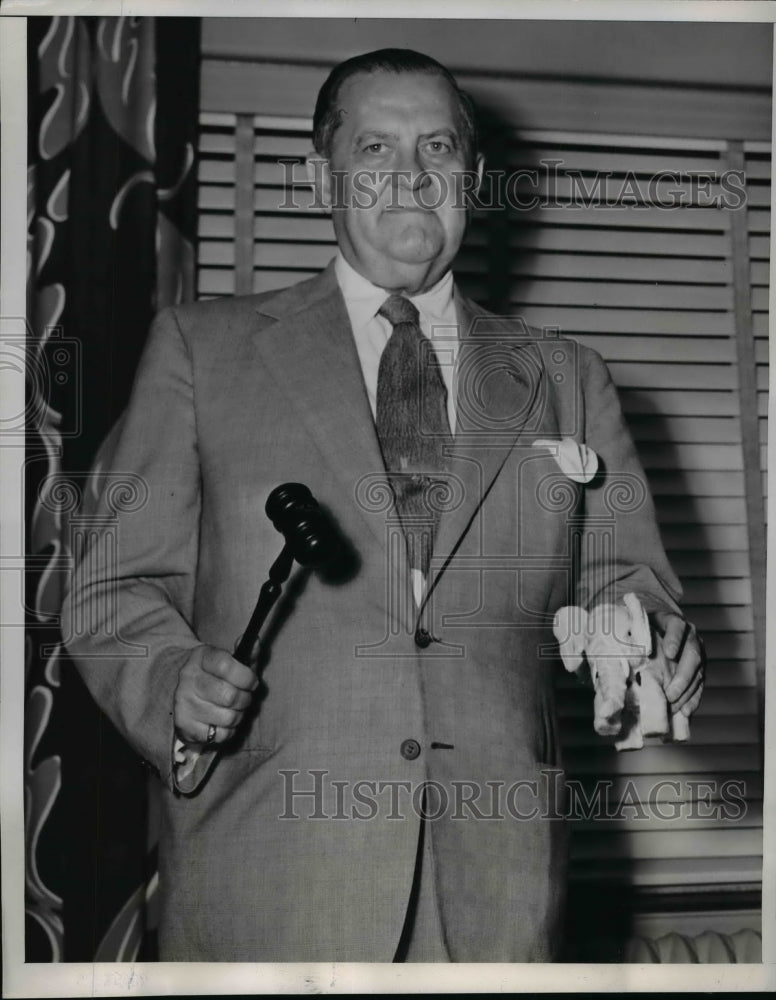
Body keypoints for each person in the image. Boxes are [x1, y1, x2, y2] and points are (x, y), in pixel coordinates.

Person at [62, 48, 704, 963]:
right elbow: (109, 591)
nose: (411, 176)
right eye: (374, 150)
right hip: (271, 885)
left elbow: (639, 590)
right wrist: (171, 679)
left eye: (437, 148)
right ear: (319, 175)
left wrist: (657, 643)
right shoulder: (202, 354)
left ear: (473, 181)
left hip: (498, 892)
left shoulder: (568, 378)